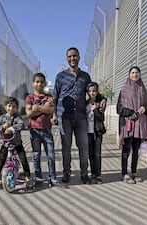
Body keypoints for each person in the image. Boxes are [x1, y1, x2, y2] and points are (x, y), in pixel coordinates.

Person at [52, 47, 106, 184]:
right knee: (66, 147)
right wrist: (53, 114)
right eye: (69, 56)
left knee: (84, 146)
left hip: (81, 117)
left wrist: (103, 98)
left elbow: (92, 91)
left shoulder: (85, 76)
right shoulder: (61, 76)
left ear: (79, 57)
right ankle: (66, 173)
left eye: (74, 56)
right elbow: (55, 96)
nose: (72, 59)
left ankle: (84, 174)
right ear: (66, 58)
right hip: (65, 117)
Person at [117, 66, 147, 184]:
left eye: (137, 72)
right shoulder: (124, 90)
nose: (135, 74)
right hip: (128, 123)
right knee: (126, 148)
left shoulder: (143, 89)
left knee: (136, 149)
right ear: (129, 74)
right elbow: (119, 108)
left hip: (139, 125)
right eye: (132, 72)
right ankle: (124, 173)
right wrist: (131, 113)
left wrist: (144, 108)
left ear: (140, 74)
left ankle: (134, 172)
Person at [0, 97, 32, 191]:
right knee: (0, 161)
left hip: (17, 144)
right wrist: (2, 127)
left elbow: (21, 124)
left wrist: (11, 129)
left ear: (17, 108)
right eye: (9, 106)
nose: (11, 108)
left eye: (14, 107)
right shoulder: (2, 117)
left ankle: (28, 177)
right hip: (6, 143)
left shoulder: (18, 117)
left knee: (24, 160)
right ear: (5, 107)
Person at [25, 72, 57, 184]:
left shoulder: (49, 97)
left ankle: (52, 177)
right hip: (34, 131)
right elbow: (29, 113)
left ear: (45, 84)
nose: (39, 84)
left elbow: (51, 110)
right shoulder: (30, 97)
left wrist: (37, 107)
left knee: (51, 156)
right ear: (33, 83)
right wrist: (44, 107)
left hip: (47, 130)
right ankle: (38, 178)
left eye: (42, 82)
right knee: (36, 155)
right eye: (37, 82)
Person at [86, 82, 106, 184]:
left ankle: (98, 175)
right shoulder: (86, 103)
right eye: (90, 91)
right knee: (90, 154)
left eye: (94, 91)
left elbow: (102, 118)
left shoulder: (100, 103)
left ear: (97, 92)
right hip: (88, 132)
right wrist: (90, 111)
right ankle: (93, 173)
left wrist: (96, 110)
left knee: (97, 154)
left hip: (97, 131)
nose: (92, 93)